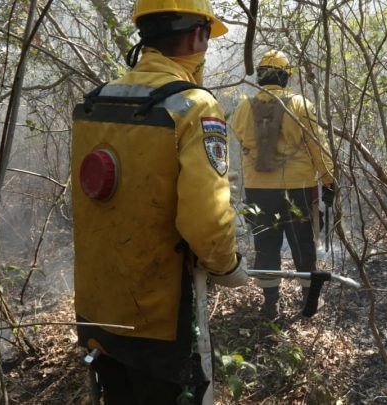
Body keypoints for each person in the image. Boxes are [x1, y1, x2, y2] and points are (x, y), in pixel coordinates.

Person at [70, 0, 247, 403]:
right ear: (197, 34)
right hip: (161, 319)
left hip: (99, 310)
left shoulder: (95, 103)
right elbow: (207, 222)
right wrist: (228, 267)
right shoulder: (193, 106)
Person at [231, 49, 335, 318]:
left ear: (262, 77)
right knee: (303, 243)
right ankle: (309, 300)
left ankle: (270, 303)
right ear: (286, 77)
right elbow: (318, 147)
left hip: (257, 189)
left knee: (265, 244)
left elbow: (239, 142)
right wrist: (329, 180)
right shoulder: (300, 105)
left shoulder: (243, 107)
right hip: (298, 187)